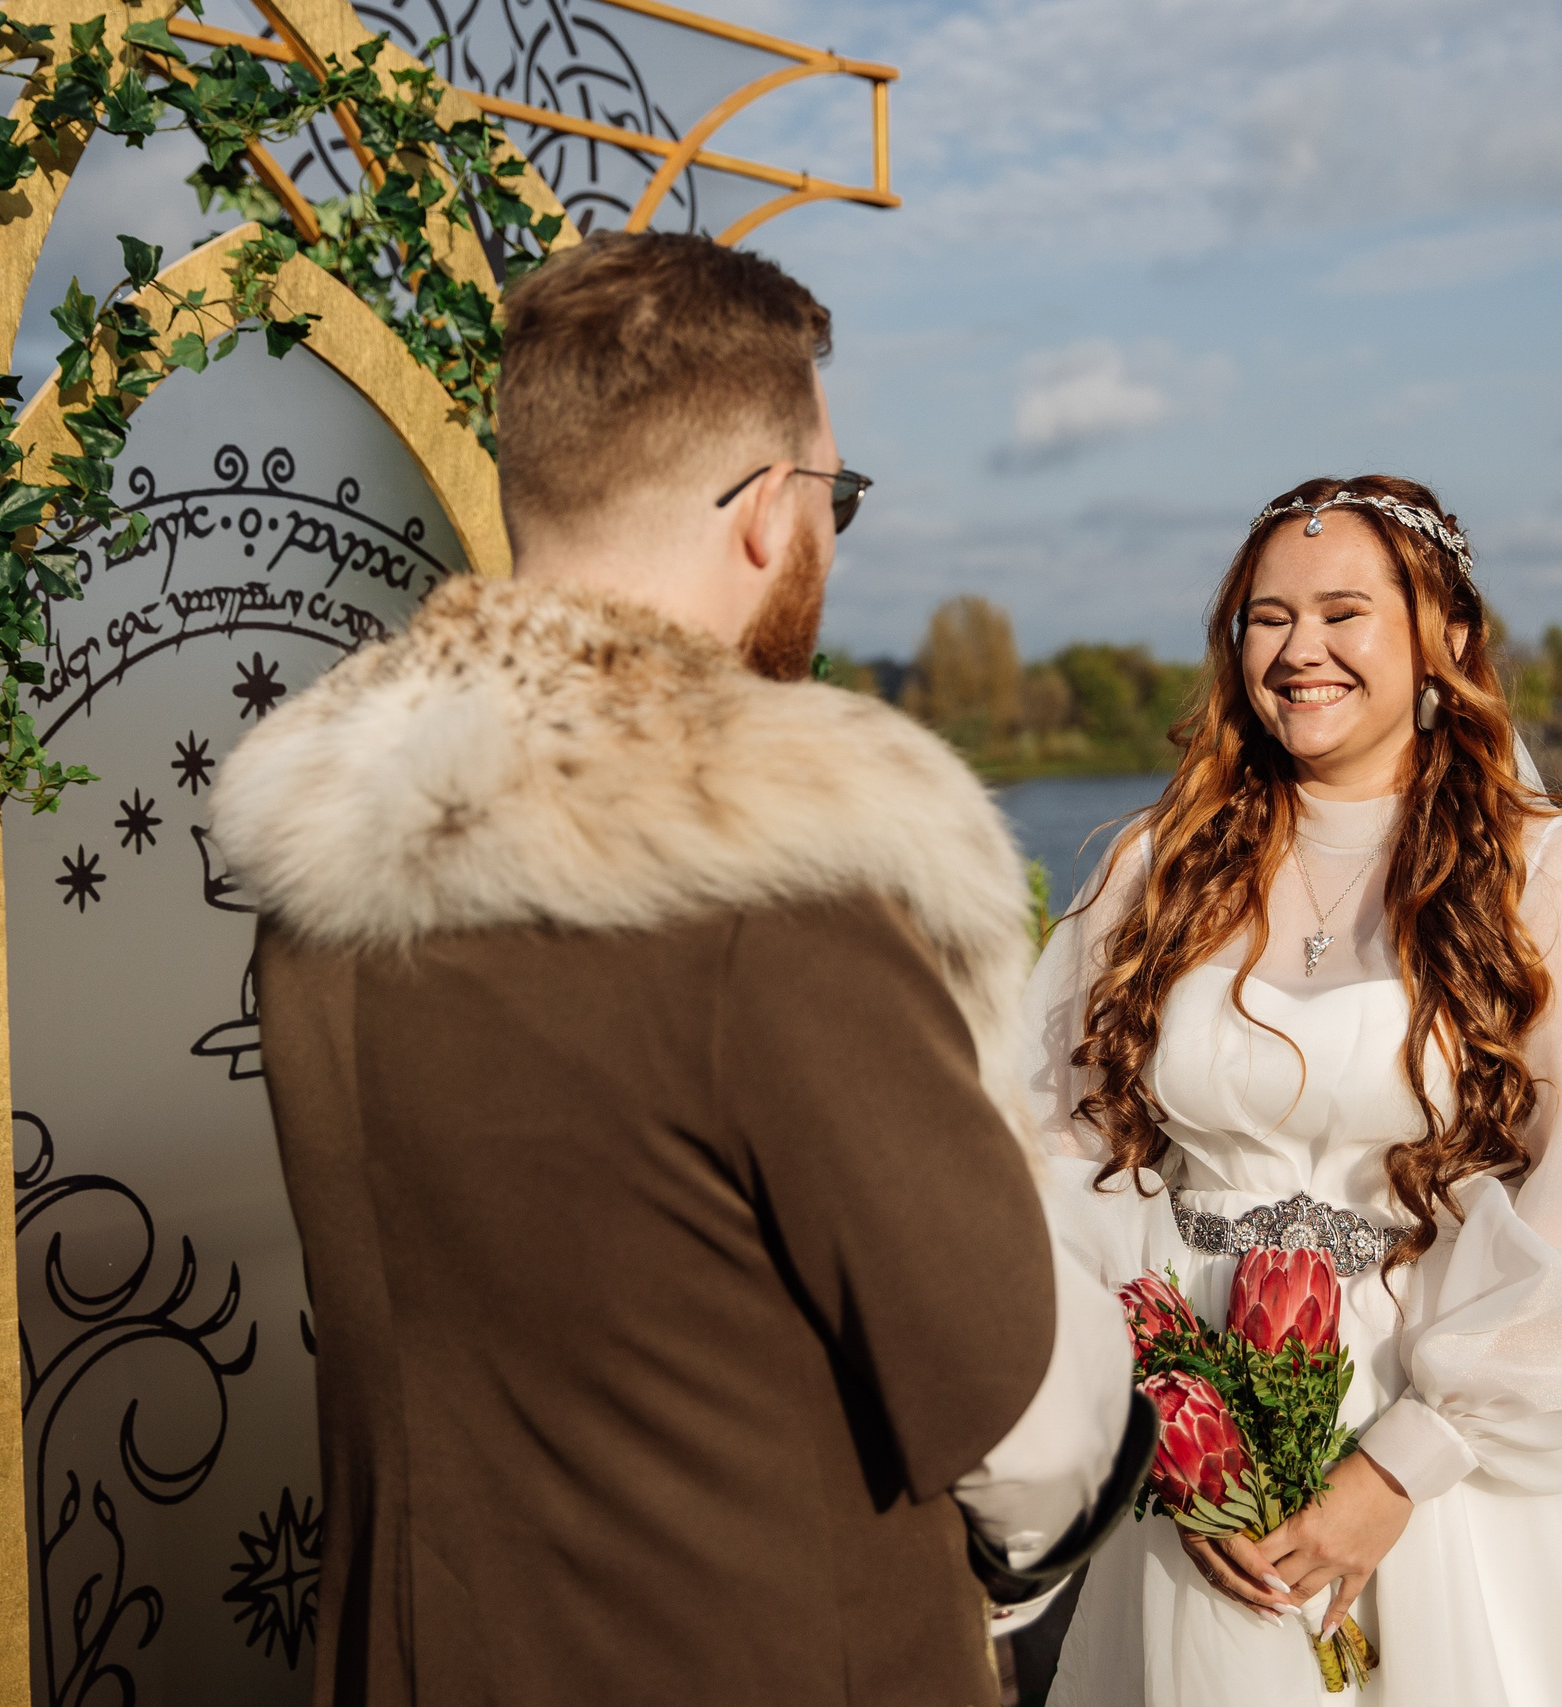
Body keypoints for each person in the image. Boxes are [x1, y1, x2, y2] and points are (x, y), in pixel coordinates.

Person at [217, 232, 1149, 1706]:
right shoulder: (773, 892)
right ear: (771, 513)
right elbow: (1017, 1410)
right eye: (835, 494)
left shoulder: (320, 879)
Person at [1025, 474, 1562, 1705]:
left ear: (1445, 637)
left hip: (1440, 1415)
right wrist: (1150, 1399)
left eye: (1345, 612)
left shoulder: (1538, 867)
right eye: (1266, 618)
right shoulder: (1155, 860)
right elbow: (1060, 1131)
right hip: (1198, 1410)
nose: (1300, 650)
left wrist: (1406, 1459)